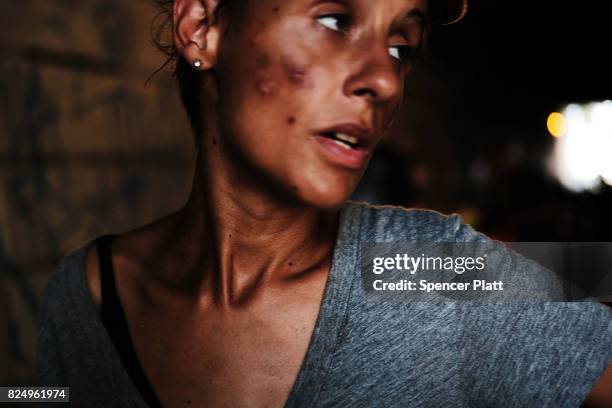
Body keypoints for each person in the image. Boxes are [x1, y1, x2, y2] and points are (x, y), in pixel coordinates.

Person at [37, 0, 612, 406]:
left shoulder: (421, 270)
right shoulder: (86, 294)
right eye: (335, 20)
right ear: (202, 25)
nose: (386, 79)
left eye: (400, 46)